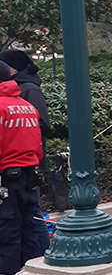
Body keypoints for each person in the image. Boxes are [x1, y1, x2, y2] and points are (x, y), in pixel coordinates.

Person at [0, 60, 49, 275]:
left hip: (6, 179)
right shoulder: (26, 106)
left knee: (7, 235)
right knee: (30, 229)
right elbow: (37, 145)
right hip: (29, 175)